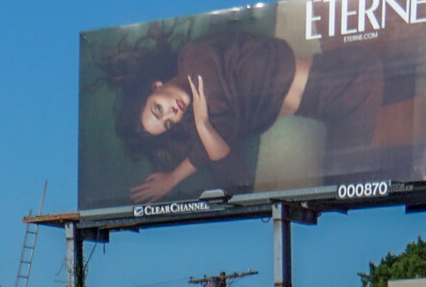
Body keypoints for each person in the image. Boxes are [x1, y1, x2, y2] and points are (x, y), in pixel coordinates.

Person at [109, 29, 387, 202]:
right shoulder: (203, 115)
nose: (171, 113)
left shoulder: (196, 59)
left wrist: (175, 176)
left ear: (157, 86)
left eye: (159, 108)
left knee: (346, 192)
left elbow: (221, 140)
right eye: (167, 123)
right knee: (336, 196)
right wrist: (202, 131)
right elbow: (233, 175)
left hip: (352, 82)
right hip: (336, 105)